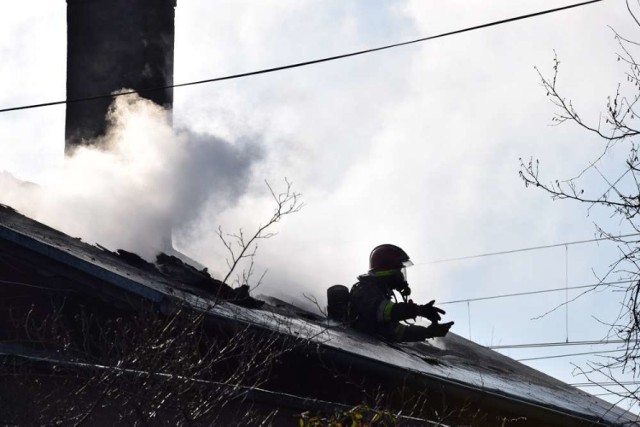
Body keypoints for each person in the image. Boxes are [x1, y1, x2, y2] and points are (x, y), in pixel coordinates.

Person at [349, 244, 454, 342]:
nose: (402, 276)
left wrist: (428, 332)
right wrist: (418, 310)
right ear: (387, 270)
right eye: (400, 271)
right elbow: (383, 310)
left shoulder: (381, 294)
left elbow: (395, 331)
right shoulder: (365, 290)